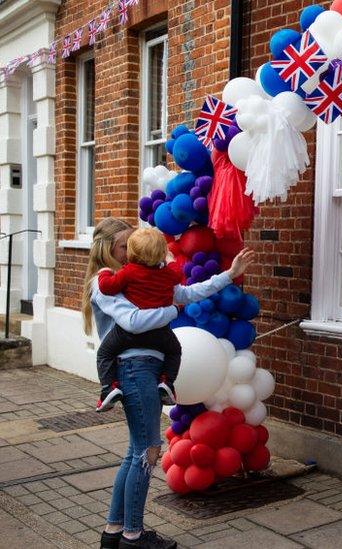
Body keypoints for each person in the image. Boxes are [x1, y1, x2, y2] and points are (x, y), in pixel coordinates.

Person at [82, 218, 255, 549]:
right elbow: (133, 321)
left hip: (145, 369)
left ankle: (115, 532)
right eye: (124, 246)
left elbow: (188, 292)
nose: (131, 251)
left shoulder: (141, 278)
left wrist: (229, 275)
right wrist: (170, 312)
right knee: (147, 451)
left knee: (136, 451)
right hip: (133, 369)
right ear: (108, 250)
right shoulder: (105, 283)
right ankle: (133, 535)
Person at [95, 228, 184, 412]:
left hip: (128, 335)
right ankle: (167, 382)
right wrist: (171, 260)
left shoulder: (128, 272)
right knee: (175, 351)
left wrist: (104, 271)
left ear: (131, 252)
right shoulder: (167, 274)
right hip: (160, 334)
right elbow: (177, 275)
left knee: (104, 353)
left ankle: (109, 388)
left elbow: (106, 287)